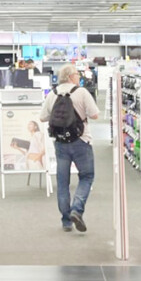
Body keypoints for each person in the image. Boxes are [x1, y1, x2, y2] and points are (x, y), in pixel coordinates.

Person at [39, 63, 99, 233]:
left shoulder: (53, 93)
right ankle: (77, 210)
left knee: (63, 182)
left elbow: (43, 117)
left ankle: (66, 221)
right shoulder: (82, 92)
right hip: (81, 141)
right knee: (86, 176)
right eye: (78, 75)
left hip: (60, 142)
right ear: (72, 76)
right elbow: (95, 114)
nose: (79, 77)